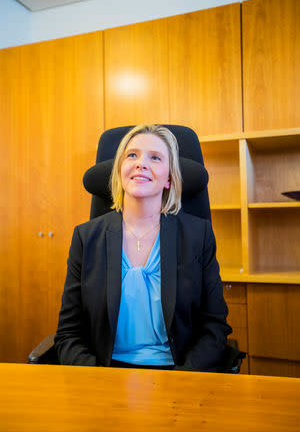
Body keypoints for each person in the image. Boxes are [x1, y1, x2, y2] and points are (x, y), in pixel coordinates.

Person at [54, 124, 232, 371]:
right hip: (104, 375)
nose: (141, 163)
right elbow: (69, 333)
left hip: (179, 376)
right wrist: (97, 381)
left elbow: (214, 327)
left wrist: (183, 381)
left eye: (155, 157)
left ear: (169, 178)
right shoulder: (86, 238)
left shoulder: (197, 236)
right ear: (120, 170)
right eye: (132, 155)